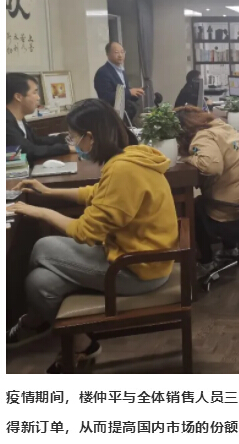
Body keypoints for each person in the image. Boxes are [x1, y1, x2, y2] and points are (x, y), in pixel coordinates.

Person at [6, 99, 177, 372]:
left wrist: (39, 211)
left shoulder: (123, 169)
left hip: (138, 269)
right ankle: (82, 344)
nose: (72, 143)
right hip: (138, 256)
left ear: (90, 137)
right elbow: (97, 194)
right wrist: (48, 192)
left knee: (42, 247)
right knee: (39, 283)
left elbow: (84, 231)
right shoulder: (131, 157)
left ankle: (33, 323)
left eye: (73, 137)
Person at [175, 106, 239, 276]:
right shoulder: (223, 127)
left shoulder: (202, 136)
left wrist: (186, 158)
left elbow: (211, 166)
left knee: (194, 207)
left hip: (234, 207)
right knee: (223, 191)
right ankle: (230, 249)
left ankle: (206, 262)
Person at [6, 72, 74, 162]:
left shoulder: (19, 119)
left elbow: (36, 141)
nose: (38, 98)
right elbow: (28, 150)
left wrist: (64, 138)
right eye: (34, 92)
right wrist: (66, 148)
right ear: (18, 97)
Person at [94, 42, 145, 121]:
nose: (120, 55)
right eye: (116, 52)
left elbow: (123, 91)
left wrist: (135, 93)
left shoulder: (121, 71)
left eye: (122, 52)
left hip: (125, 115)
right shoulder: (103, 72)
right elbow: (106, 97)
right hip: (112, 117)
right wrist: (129, 92)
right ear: (108, 54)